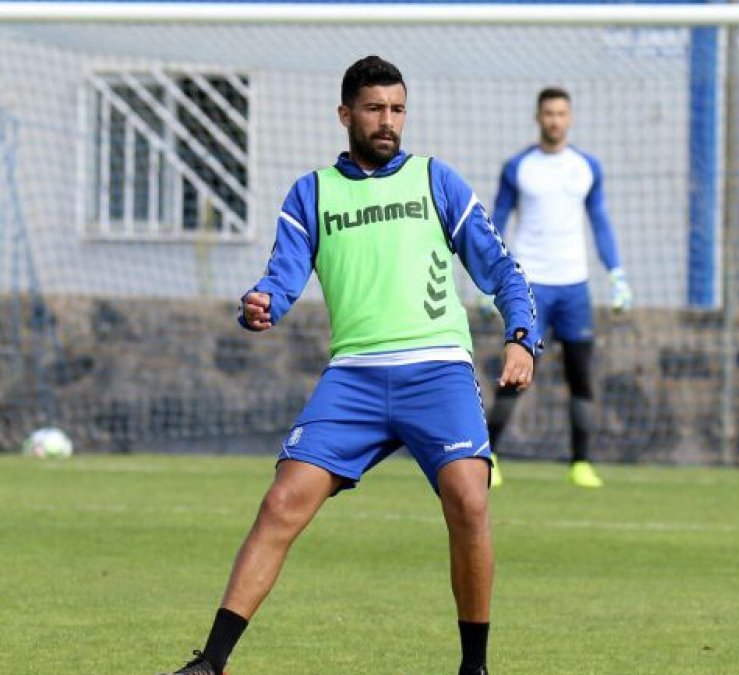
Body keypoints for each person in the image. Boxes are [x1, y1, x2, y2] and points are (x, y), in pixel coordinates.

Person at [159, 55, 541, 675]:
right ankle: (212, 662)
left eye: (397, 109)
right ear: (345, 114)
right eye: (374, 109)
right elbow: (278, 282)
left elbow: (502, 270)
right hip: (355, 379)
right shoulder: (311, 193)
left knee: (470, 498)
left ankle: (475, 668)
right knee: (282, 502)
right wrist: (261, 305)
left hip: (437, 369)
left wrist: (522, 336)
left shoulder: (435, 180)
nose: (388, 121)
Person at [483, 87, 631, 489]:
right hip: (530, 285)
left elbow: (600, 221)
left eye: (561, 113)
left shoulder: (586, 167)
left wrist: (615, 273)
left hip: (574, 287)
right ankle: (489, 457)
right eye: (548, 113)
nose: (554, 120)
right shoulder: (518, 167)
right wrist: (487, 281)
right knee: (516, 370)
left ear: (570, 118)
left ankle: (580, 462)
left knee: (580, 375)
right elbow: (496, 221)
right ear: (537, 117)